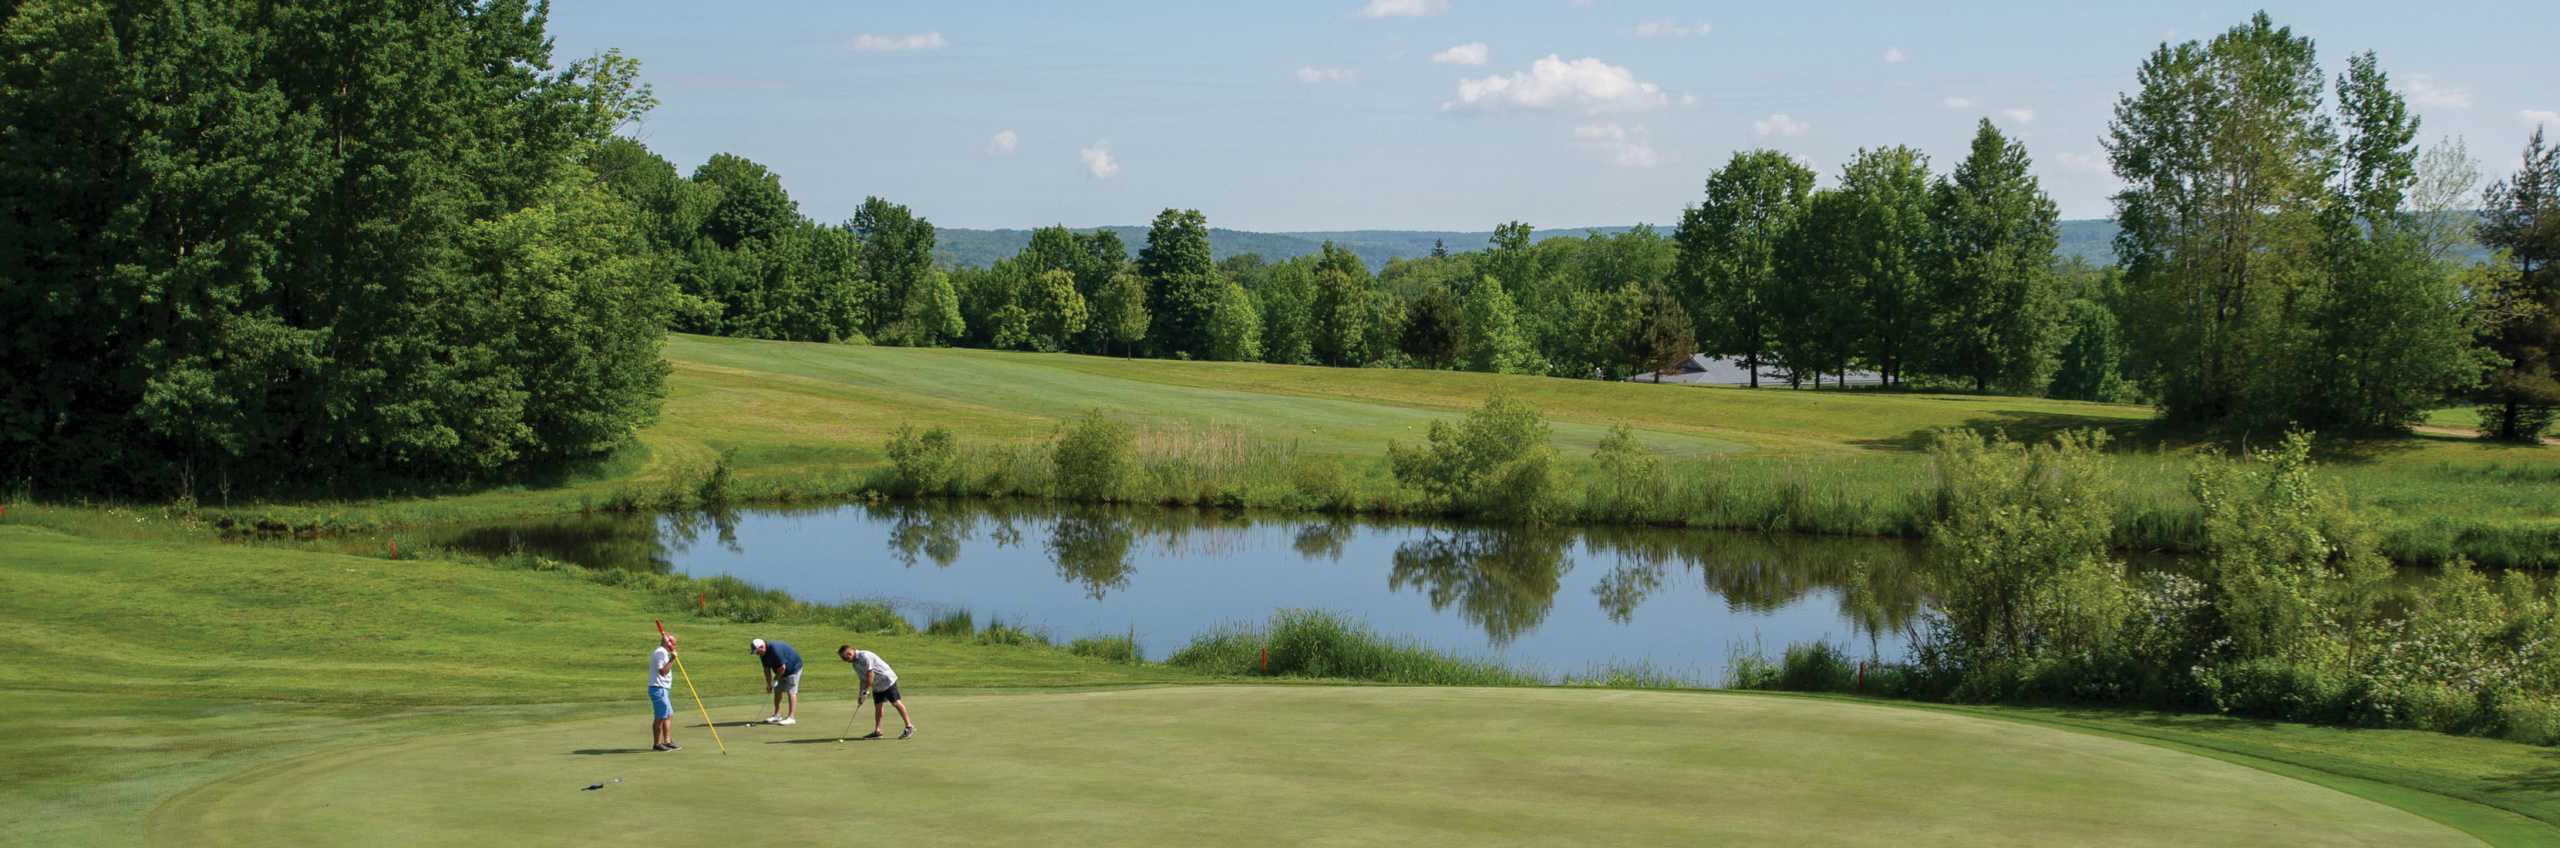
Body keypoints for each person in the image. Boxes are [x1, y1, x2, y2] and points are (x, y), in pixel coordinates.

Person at [838, 645, 915, 739]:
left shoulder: (865, 656)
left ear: (850, 653)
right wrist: (861, 695)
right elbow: (863, 680)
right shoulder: (855, 664)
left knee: (895, 702)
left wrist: (865, 691)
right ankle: (878, 731)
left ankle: (909, 726)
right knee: (878, 706)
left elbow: (870, 674)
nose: (844, 660)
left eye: (845, 658)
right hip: (877, 685)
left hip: (887, 680)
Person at [750, 637, 803, 725]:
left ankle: (791, 717)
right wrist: (769, 684)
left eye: (758, 652)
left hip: (793, 668)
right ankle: (777, 715)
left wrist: (775, 679)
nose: (758, 654)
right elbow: (766, 669)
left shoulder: (775, 649)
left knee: (791, 691)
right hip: (780, 670)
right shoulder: (763, 654)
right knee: (777, 690)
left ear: (762, 647)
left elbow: (782, 668)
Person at [648, 632, 681, 752]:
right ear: (668, 643)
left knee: (668, 714)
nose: (675, 647)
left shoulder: (663, 652)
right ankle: (656, 744)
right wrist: (672, 659)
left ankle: (667, 741)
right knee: (661, 716)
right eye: (674, 644)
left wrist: (671, 658)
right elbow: (663, 671)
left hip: (663, 688)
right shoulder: (660, 653)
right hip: (658, 688)